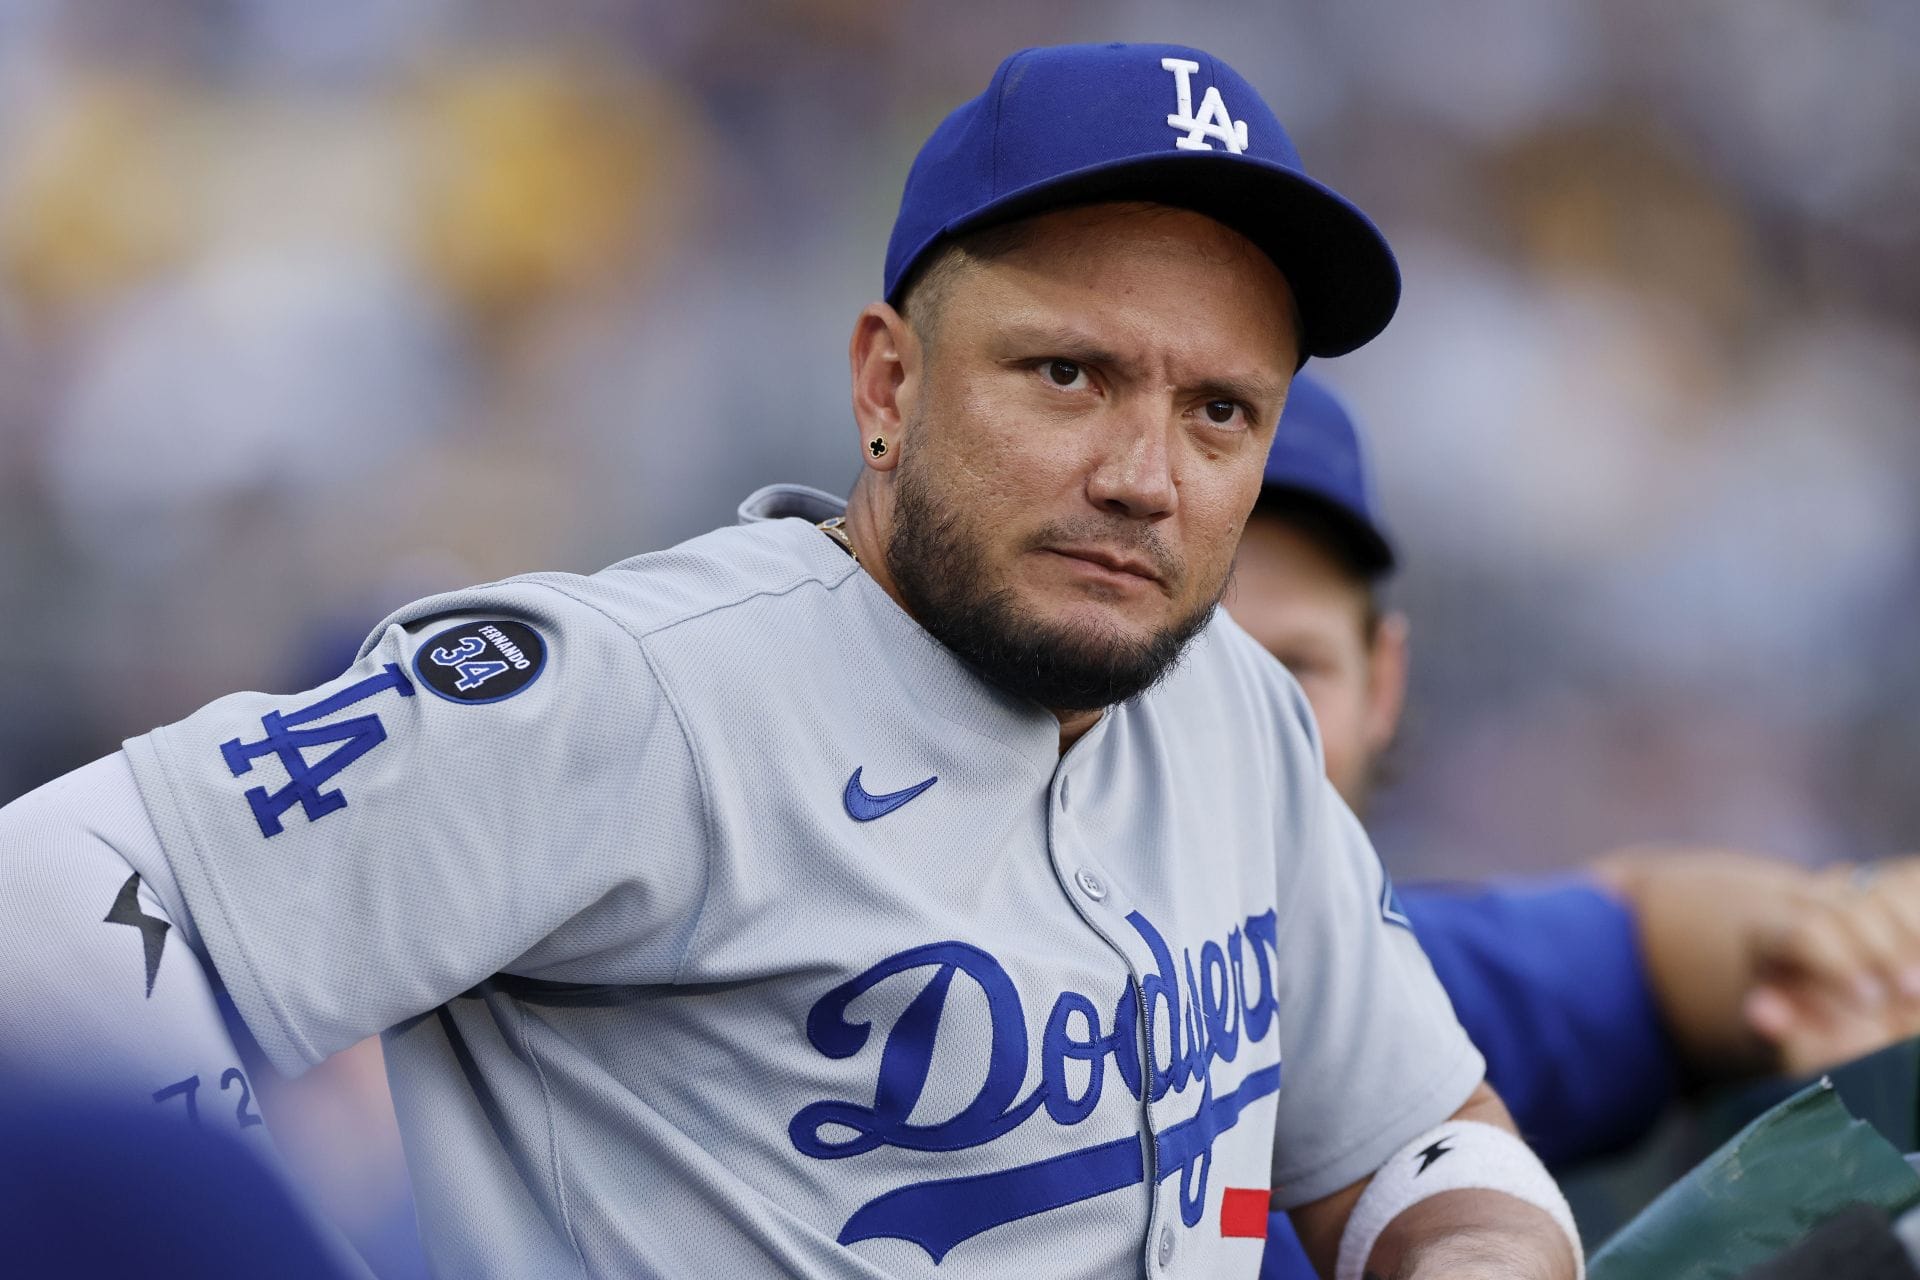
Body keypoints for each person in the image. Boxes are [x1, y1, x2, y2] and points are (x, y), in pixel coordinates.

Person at [0, 44, 1581, 1279]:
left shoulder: (1233, 701)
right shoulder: (641, 692)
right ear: (885, 382)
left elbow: (1417, 1143)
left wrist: (1484, 1251)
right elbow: (52, 917)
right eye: (1069, 375)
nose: (1144, 474)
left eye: (1217, 412)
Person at [1235, 374, 1920, 1277]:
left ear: (1383, 684)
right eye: (1194, 664)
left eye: (1292, 672)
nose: (1240, 730)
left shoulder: (1382, 971)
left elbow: (1644, 924)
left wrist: (1842, 941)